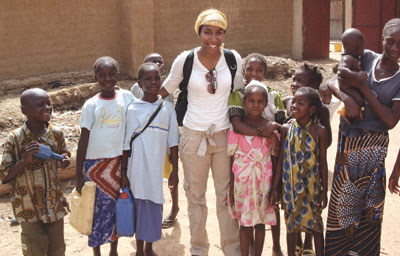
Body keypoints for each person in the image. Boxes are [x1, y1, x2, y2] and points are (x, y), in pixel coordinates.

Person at [159, 9, 243, 256]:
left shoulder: (233, 58)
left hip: (224, 136)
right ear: (199, 33)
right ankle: (199, 249)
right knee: (195, 197)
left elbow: (240, 94)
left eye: (219, 32)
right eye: (208, 32)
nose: (213, 38)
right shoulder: (185, 60)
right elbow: (166, 89)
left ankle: (232, 248)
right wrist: (137, 106)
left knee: (226, 196)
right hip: (193, 137)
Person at [325, 18, 400, 256]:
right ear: (382, 40)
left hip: (375, 151)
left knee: (370, 212)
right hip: (348, 144)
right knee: (341, 208)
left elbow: (390, 120)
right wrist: (347, 99)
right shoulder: (364, 57)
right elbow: (331, 82)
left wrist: (364, 90)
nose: (395, 47)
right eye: (391, 41)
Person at [0, 88, 71, 256]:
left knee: (58, 250)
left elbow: (64, 156)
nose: (47, 108)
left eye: (48, 103)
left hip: (54, 204)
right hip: (28, 207)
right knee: (34, 250)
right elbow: (4, 175)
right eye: (40, 105)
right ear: (26, 111)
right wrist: (25, 161)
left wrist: (64, 162)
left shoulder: (55, 134)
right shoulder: (15, 139)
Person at [75, 56, 134, 256]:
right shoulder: (91, 105)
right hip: (94, 166)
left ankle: (114, 250)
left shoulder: (126, 97)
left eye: (111, 74)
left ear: (117, 75)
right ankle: (97, 252)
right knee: (96, 212)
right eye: (102, 75)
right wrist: (78, 175)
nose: (107, 78)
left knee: (115, 209)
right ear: (96, 77)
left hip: (117, 163)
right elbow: (83, 141)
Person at [228, 53, 284, 256]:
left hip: (268, 165)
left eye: (259, 70)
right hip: (246, 163)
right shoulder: (237, 94)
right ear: (243, 71)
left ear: (265, 73)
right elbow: (237, 124)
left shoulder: (274, 95)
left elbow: (282, 125)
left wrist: (275, 129)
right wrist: (266, 134)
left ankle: (275, 246)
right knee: (246, 221)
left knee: (267, 211)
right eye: (250, 69)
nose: (254, 73)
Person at [121, 63, 179, 256]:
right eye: (148, 79)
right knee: (138, 207)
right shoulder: (132, 109)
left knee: (153, 207)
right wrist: (123, 173)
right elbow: (126, 145)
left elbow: (173, 143)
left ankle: (149, 248)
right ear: (139, 83)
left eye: (157, 78)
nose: (153, 83)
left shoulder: (168, 109)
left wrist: (175, 172)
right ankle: (139, 250)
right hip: (136, 168)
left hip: (155, 170)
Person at [270, 87, 328, 256]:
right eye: (293, 102)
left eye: (300, 103)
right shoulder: (286, 129)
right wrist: (275, 188)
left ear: (312, 109)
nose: (294, 105)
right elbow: (281, 160)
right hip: (291, 189)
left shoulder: (319, 131)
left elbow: (323, 163)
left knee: (316, 227)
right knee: (292, 228)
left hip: (312, 189)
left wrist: (323, 191)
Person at [282, 63, 331, 255]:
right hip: (292, 169)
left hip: (311, 166)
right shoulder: (288, 101)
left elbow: (327, 141)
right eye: (293, 79)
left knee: (312, 210)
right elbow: (283, 132)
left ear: (314, 85)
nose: (294, 83)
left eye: (300, 81)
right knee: (294, 210)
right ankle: (298, 243)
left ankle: (309, 243)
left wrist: (311, 150)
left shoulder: (322, 110)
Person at [130, 52, 179, 229]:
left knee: (170, 177)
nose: (158, 64)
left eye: (160, 62)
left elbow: (169, 121)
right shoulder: (135, 91)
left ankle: (174, 207)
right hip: (143, 144)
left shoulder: (167, 90)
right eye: (153, 62)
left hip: (162, 142)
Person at [335, 28, 368, 118]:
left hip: (350, 86)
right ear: (358, 47)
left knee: (360, 99)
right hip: (347, 88)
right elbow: (342, 70)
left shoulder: (353, 57)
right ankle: (349, 113)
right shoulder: (348, 58)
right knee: (360, 100)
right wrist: (356, 75)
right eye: (362, 46)